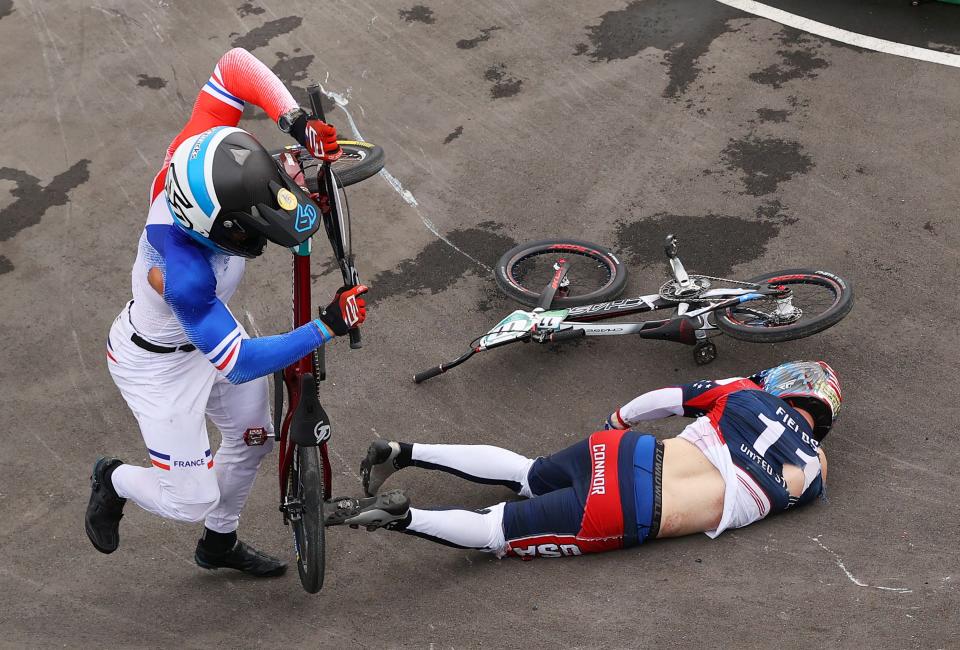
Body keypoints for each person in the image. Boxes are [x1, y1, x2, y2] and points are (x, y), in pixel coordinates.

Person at [85, 48, 368, 577]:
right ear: (207, 228)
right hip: (158, 369)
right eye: (243, 225)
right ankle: (113, 479)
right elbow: (237, 362)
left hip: (208, 334)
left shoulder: (191, 154)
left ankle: (219, 544)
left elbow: (234, 65)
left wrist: (295, 120)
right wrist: (327, 325)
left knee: (253, 440)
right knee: (188, 500)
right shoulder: (184, 278)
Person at [324, 361, 840, 559]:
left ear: (784, 385)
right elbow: (796, 486)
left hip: (627, 451)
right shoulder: (814, 467)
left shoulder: (744, 392)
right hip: (636, 509)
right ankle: (403, 517)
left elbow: (664, 396)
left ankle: (404, 451)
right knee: (496, 533)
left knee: (527, 471)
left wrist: (619, 421)